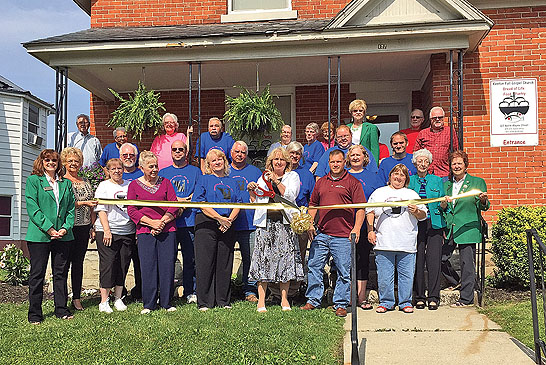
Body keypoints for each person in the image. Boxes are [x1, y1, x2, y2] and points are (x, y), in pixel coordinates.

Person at [301, 149, 366, 317]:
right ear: (328, 163)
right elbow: (313, 204)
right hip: (321, 234)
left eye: (338, 162)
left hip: (343, 236)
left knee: (344, 271)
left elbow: (360, 208)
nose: (335, 165)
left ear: (344, 162)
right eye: (332, 162)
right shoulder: (321, 182)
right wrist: (309, 223)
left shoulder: (353, 182)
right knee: (314, 266)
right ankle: (313, 300)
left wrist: (356, 228)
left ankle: (341, 304)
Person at [248, 147, 303, 312]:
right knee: (262, 260)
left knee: (284, 261)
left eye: (281, 159)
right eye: (275, 159)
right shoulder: (263, 177)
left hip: (284, 224)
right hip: (265, 224)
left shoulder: (292, 176)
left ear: (286, 162)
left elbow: (291, 196)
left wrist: (277, 181)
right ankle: (261, 301)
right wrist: (252, 190)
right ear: (270, 162)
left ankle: (284, 300)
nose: (278, 162)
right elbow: (256, 201)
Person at [367, 164, 427, 313]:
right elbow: (370, 211)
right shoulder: (379, 193)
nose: (398, 177)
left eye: (402, 175)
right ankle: (386, 302)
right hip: (384, 242)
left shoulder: (412, 194)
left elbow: (423, 216)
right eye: (396, 174)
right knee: (384, 277)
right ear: (390, 176)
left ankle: (405, 302)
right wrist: (370, 231)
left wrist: (417, 211)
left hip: (406, 243)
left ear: (406, 179)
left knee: (406, 276)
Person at [25, 149, 75, 324]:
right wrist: (49, 228)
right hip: (39, 235)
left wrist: (65, 228)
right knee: (37, 274)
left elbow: (70, 209)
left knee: (60, 273)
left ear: (58, 163)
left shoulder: (66, 184)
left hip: (63, 236)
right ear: (42, 162)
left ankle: (61, 309)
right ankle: (35, 314)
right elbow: (33, 207)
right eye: (47, 160)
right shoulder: (33, 181)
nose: (51, 163)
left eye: (54, 160)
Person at [127, 151, 179, 314]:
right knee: (147, 266)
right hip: (145, 231)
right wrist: (151, 223)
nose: (155, 169)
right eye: (151, 166)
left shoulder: (166, 183)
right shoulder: (134, 185)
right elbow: (131, 209)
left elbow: (174, 205)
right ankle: (149, 303)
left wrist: (162, 222)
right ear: (142, 168)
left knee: (167, 265)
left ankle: (166, 302)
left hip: (167, 230)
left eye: (156, 166)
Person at [192, 149, 241, 310]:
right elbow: (201, 203)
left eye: (220, 159)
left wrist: (228, 220)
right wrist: (218, 218)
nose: (217, 162)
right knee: (205, 262)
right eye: (213, 161)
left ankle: (223, 300)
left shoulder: (232, 181)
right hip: (207, 223)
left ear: (224, 162)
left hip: (227, 224)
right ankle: (205, 301)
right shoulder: (204, 180)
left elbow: (238, 204)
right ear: (208, 164)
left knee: (224, 263)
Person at [441, 150, 489, 307]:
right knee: (441, 259)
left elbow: (485, 207)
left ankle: (466, 298)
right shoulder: (446, 185)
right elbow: (443, 208)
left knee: (467, 264)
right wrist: (443, 205)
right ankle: (457, 282)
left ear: (465, 165)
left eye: (459, 163)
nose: (456, 166)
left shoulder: (477, 182)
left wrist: (482, 200)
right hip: (451, 228)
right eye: (453, 163)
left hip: (468, 228)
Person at [159, 140, 202, 304]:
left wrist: (180, 202)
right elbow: (161, 196)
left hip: (189, 223)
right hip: (169, 223)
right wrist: (179, 202)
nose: (178, 152)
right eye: (174, 149)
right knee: (168, 259)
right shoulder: (163, 173)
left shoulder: (195, 172)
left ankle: (191, 292)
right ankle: (167, 292)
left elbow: (197, 195)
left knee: (190, 258)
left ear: (186, 152)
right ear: (171, 152)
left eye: (181, 149)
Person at [94, 158, 136, 313]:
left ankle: (118, 298)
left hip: (127, 231)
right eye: (113, 169)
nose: (117, 171)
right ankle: (104, 301)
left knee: (123, 265)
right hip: (107, 231)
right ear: (108, 171)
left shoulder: (130, 185)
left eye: (120, 168)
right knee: (108, 265)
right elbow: (101, 210)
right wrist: (107, 230)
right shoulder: (103, 186)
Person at [408, 149, 446, 310]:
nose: (422, 164)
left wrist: (444, 203)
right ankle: (419, 296)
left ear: (429, 164)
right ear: (415, 163)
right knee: (417, 260)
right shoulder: (409, 180)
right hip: (416, 223)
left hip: (434, 223)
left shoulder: (437, 181)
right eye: (420, 161)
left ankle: (433, 296)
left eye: (426, 161)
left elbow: (445, 205)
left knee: (433, 260)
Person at [346, 144, 383, 310]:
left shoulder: (374, 177)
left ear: (365, 157)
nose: (355, 158)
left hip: (366, 225)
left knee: (362, 261)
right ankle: (347, 297)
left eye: (358, 155)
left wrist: (371, 229)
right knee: (345, 262)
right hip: (344, 225)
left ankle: (360, 298)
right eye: (352, 155)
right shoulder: (342, 175)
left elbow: (379, 202)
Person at [60, 147, 97, 311]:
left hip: (83, 228)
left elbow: (92, 207)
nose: (73, 164)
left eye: (76, 161)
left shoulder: (86, 182)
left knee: (78, 264)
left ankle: (76, 298)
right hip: (68, 228)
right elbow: (63, 204)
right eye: (70, 161)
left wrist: (93, 226)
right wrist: (83, 203)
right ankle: (61, 299)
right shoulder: (62, 181)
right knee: (63, 265)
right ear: (64, 163)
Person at [228, 141, 262, 302]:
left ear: (246, 154)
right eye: (237, 151)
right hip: (228, 223)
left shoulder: (255, 171)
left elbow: (263, 195)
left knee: (250, 259)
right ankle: (225, 289)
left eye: (243, 152)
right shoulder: (224, 170)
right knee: (225, 258)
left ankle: (250, 291)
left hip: (250, 223)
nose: (240, 154)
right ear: (231, 153)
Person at [117, 142, 143, 300]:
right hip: (121, 227)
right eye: (125, 155)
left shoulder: (142, 175)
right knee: (121, 263)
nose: (128, 158)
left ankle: (140, 291)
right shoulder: (116, 176)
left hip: (140, 226)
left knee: (141, 262)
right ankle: (121, 292)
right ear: (120, 157)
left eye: (131, 155)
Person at [286, 141, 315, 265]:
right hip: (282, 218)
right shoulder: (280, 171)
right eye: (291, 152)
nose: (294, 156)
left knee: (299, 253)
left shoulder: (307, 174)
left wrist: (310, 222)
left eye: (297, 153)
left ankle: (297, 283)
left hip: (300, 219)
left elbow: (313, 200)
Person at [414, 107, 459, 178]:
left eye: (440, 117)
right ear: (430, 119)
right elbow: (416, 154)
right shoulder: (423, 133)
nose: (437, 119)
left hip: (444, 173)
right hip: (426, 173)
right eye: (434, 118)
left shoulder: (450, 131)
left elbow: (455, 151)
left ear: (444, 118)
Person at [347, 99, 380, 166]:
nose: (358, 112)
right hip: (349, 162)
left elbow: (374, 149)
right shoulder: (347, 127)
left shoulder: (371, 128)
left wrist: (374, 166)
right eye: (355, 111)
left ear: (364, 113)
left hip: (365, 163)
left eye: (360, 111)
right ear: (351, 113)